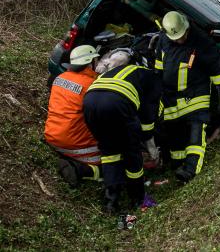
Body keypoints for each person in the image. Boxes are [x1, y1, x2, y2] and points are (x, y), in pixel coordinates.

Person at [154, 11, 220, 183]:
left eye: (182, 37)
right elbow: (159, 67)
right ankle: (177, 162)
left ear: (187, 28)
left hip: (196, 94)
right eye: (175, 38)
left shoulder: (202, 42)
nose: (179, 41)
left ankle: (190, 170)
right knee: (175, 134)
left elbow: (217, 69)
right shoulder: (164, 40)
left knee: (196, 132)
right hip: (170, 97)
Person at [83, 55, 161, 213]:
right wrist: (151, 147)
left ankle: (111, 201)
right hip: (116, 102)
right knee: (131, 154)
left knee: (109, 151)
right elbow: (147, 117)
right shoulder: (153, 80)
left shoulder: (128, 71)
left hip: (89, 102)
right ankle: (138, 199)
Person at [45, 45, 101, 186]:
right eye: (96, 60)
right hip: (76, 145)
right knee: (114, 164)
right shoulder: (92, 85)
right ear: (90, 62)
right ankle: (79, 170)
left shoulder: (60, 78)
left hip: (52, 136)